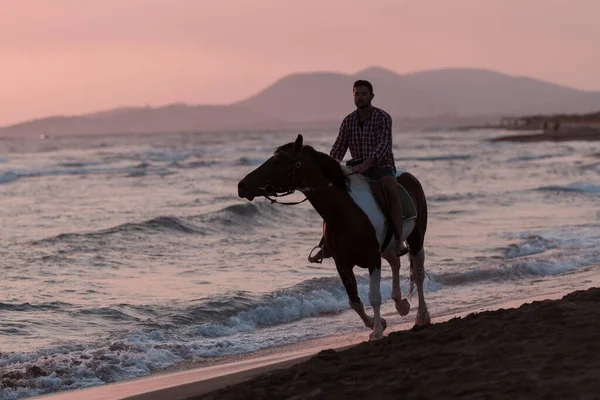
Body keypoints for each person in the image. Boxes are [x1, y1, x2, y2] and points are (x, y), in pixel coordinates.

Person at [308, 79, 407, 263]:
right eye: (357, 94)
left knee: (391, 192)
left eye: (363, 94)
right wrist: (330, 166)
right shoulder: (348, 121)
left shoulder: (383, 118)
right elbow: (338, 147)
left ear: (371, 96)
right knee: (333, 196)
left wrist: (368, 163)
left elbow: (384, 144)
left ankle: (399, 240)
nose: (360, 97)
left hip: (381, 166)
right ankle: (326, 244)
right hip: (356, 168)